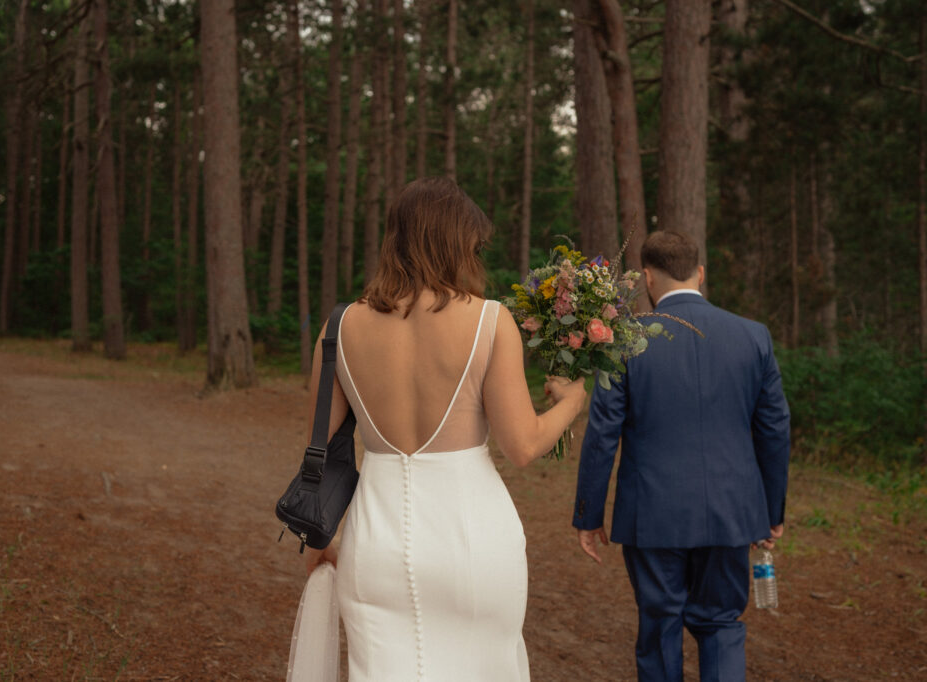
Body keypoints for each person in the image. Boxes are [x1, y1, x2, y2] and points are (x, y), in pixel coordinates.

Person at [302, 177, 586, 681]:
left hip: (374, 545)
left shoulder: (340, 326)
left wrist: (321, 539)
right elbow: (521, 445)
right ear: (455, 243)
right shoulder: (490, 321)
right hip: (472, 542)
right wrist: (572, 403)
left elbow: (317, 449)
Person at [571, 230, 791, 682]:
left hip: (654, 515)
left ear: (648, 278)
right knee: (720, 624)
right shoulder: (753, 336)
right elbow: (774, 429)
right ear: (701, 273)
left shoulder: (625, 340)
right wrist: (771, 510)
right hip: (732, 511)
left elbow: (602, 432)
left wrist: (589, 513)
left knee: (660, 624)